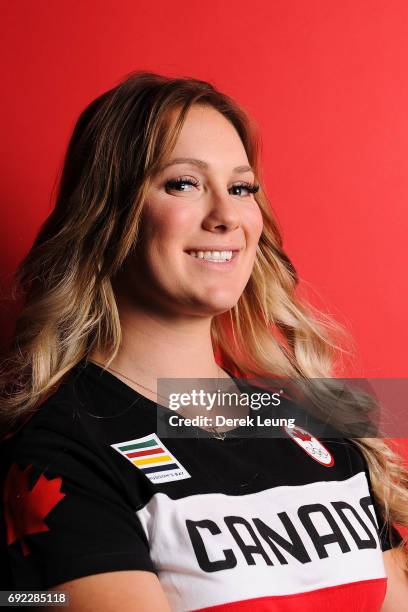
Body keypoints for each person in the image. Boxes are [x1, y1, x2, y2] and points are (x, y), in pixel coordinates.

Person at [0, 71, 407, 611]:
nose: (227, 216)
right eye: (183, 183)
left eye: (241, 188)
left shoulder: (310, 427)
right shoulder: (61, 455)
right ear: (108, 213)